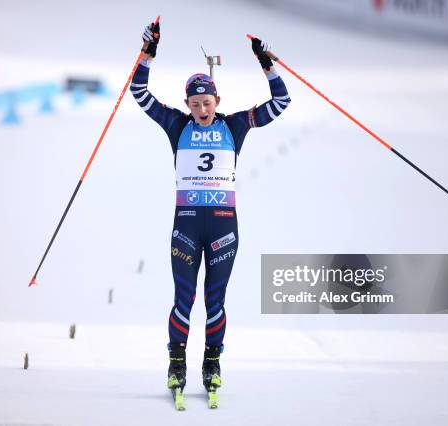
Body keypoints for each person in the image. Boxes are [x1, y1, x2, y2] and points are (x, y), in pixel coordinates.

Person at [132, 21, 291, 399]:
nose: (202, 109)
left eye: (207, 102)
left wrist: (267, 65)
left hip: (223, 230)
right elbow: (139, 91)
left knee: (214, 300)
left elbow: (281, 102)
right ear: (187, 104)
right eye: (195, 103)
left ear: (217, 101)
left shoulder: (235, 125)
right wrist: (148, 53)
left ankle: (212, 363)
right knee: (183, 297)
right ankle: (176, 364)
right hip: (186, 228)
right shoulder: (175, 124)